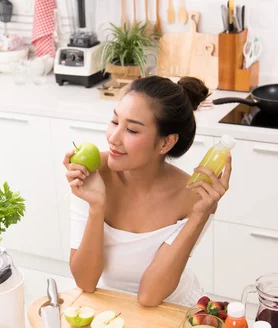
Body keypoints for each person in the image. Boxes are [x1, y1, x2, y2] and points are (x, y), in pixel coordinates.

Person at [63, 76, 232, 307]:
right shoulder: (90, 173)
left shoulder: (194, 195)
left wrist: (201, 214)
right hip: (109, 306)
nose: (113, 138)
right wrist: (96, 207)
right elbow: (85, 282)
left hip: (172, 310)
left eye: (132, 130)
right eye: (114, 121)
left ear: (165, 143)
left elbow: (150, 296)